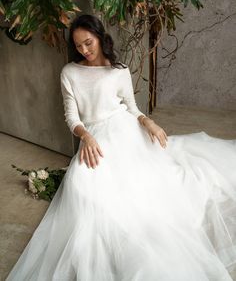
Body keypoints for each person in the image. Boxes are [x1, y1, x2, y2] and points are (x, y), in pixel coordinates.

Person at [6, 14, 236, 281]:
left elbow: (132, 107)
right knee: (82, 190)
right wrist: (86, 137)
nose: (84, 50)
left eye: (88, 43)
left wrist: (147, 122)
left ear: (101, 37)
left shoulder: (119, 70)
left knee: (151, 187)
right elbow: (72, 117)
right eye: (79, 45)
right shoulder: (69, 72)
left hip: (125, 130)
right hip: (94, 139)